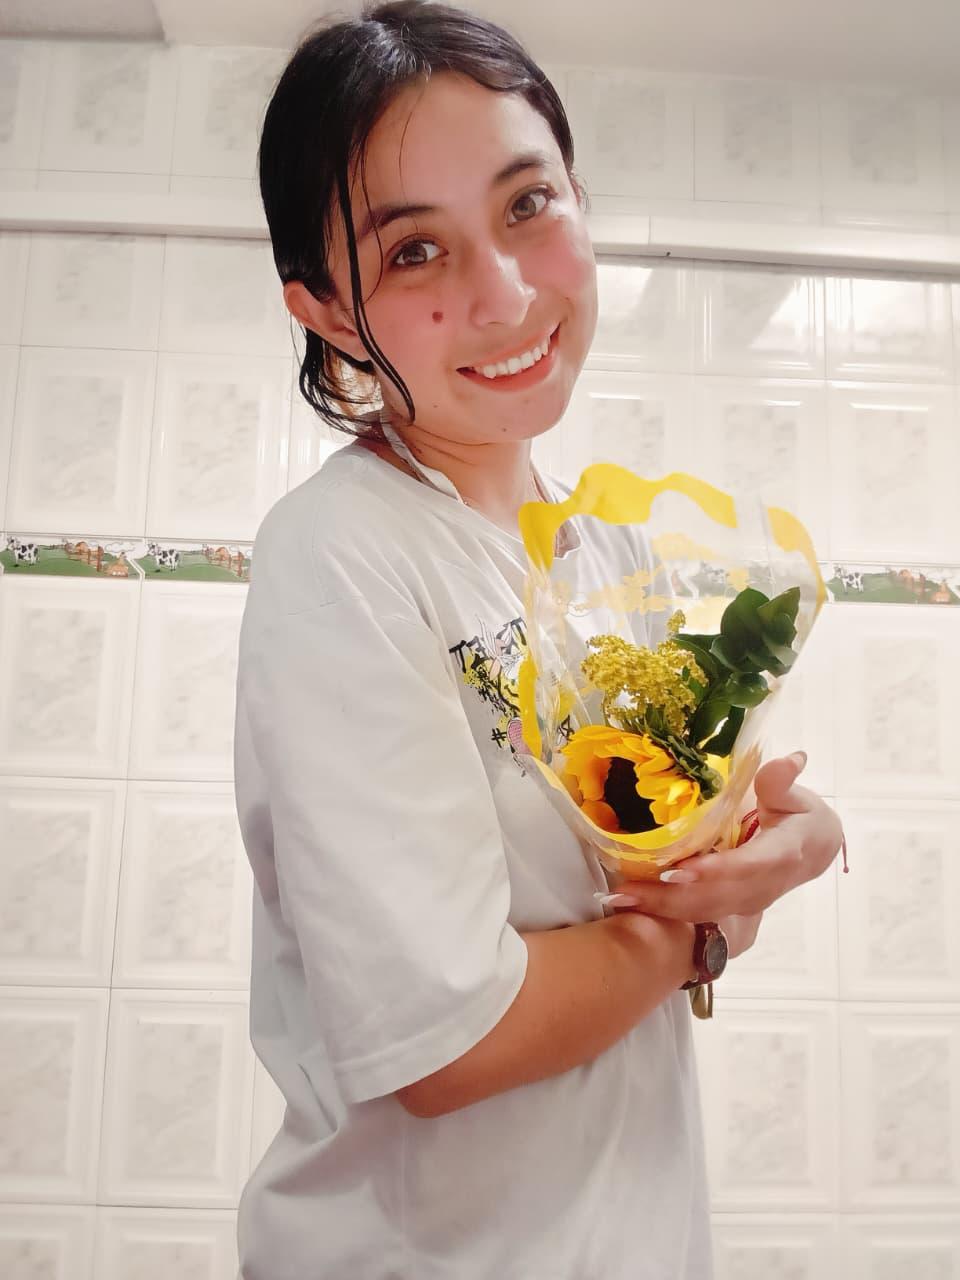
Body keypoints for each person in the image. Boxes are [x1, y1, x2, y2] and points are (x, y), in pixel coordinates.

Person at [233, 4, 845, 1276]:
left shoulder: (611, 563)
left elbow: (681, 868)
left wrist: (786, 848)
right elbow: (447, 1043)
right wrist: (694, 928)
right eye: (414, 251)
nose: (506, 293)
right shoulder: (344, 548)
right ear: (327, 309)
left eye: (527, 205)